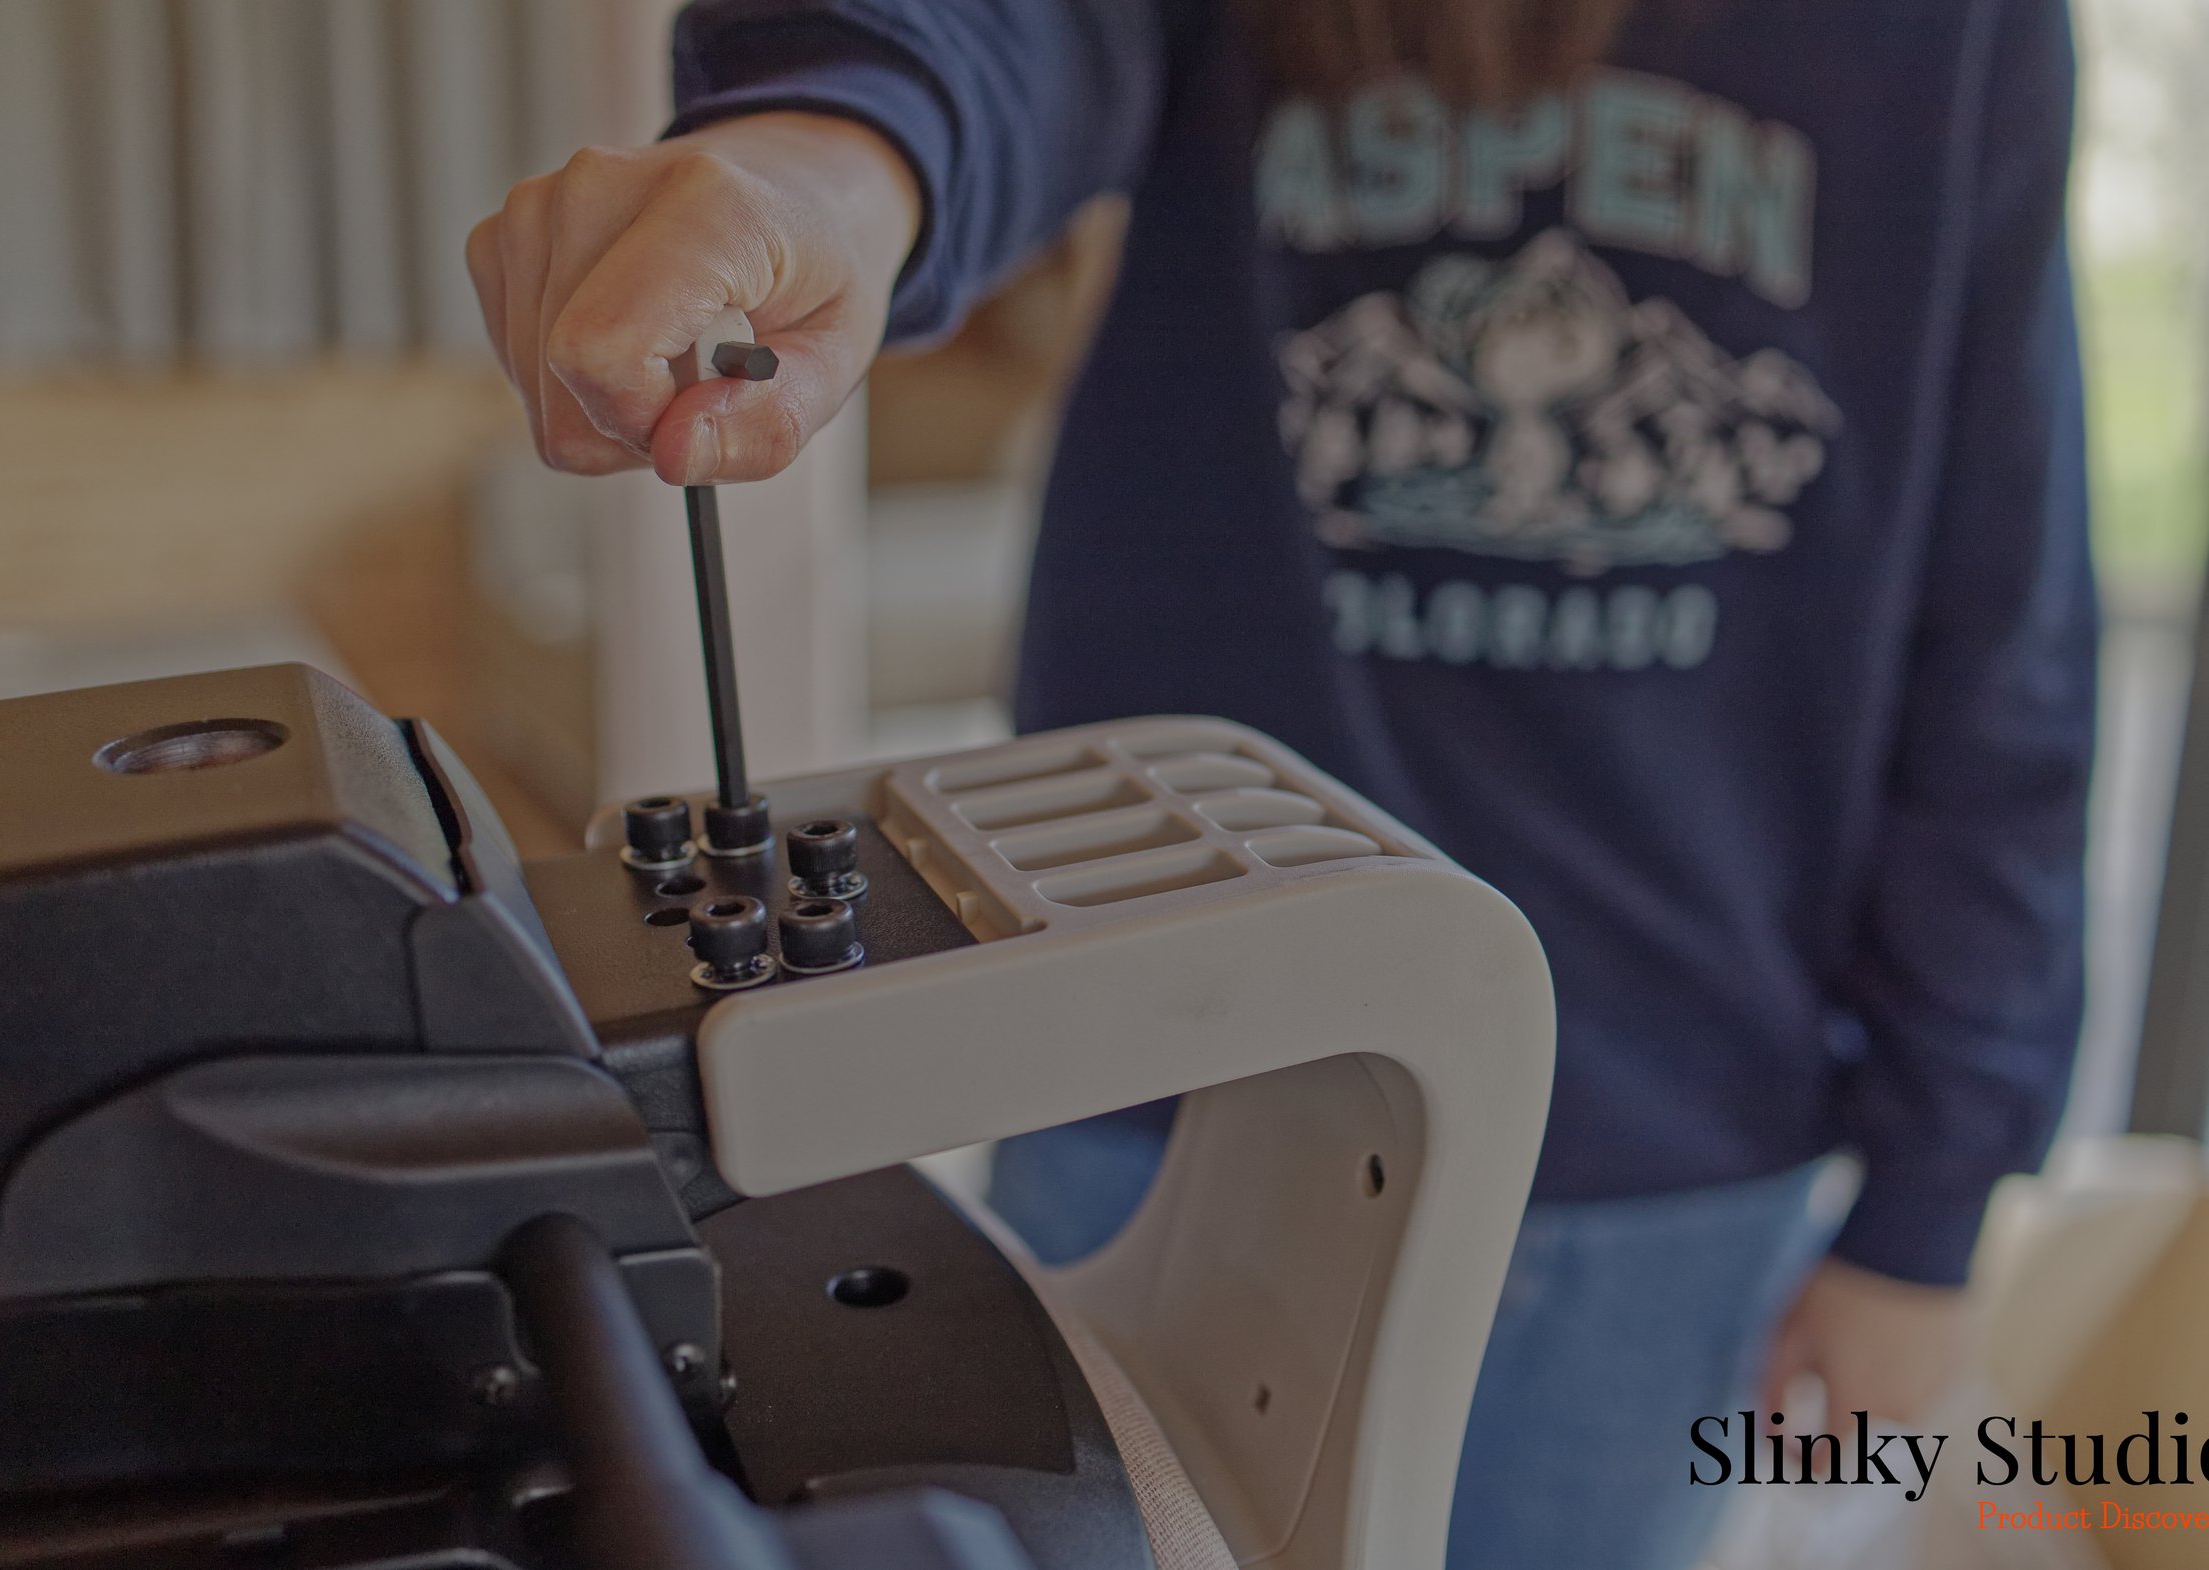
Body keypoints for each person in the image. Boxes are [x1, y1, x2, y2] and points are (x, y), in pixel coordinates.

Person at [467, 1, 2095, 1563]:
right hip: (1161, 1057)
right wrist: (828, 139)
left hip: (1667, 1134)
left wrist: (1932, 1205)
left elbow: (2000, 617)